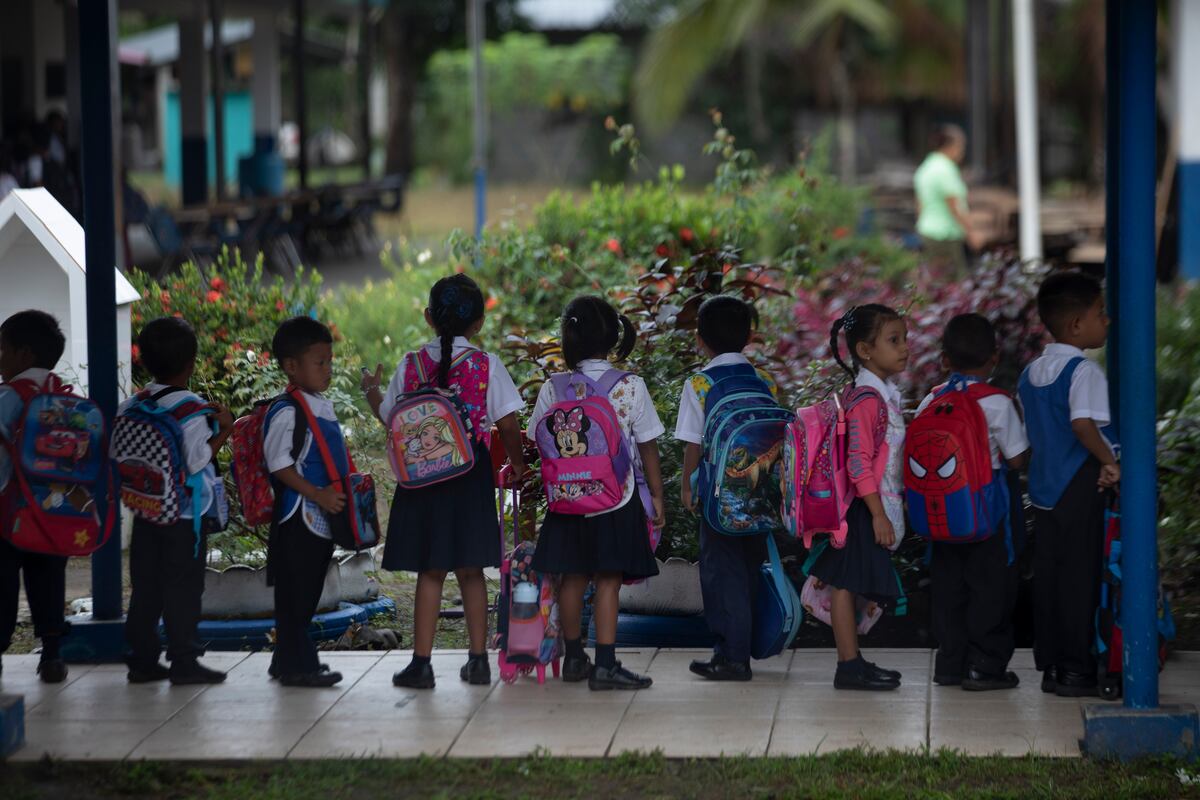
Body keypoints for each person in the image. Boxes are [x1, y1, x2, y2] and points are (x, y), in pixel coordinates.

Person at [362, 274, 527, 690]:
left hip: (422, 483)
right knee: (471, 572)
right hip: (469, 479)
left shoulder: (411, 363)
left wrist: (371, 393)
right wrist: (519, 464)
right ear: (479, 324)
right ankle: (477, 661)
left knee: (430, 573)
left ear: (428, 318)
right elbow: (508, 423)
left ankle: (421, 663)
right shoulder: (486, 365)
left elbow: (390, 416)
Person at [528, 296, 665, 691]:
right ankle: (605, 664)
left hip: (567, 499)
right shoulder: (630, 387)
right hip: (615, 497)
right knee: (607, 580)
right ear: (612, 337)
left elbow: (539, 438)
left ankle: (574, 659)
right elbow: (648, 445)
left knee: (572, 576)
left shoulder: (553, 389)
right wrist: (656, 495)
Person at [1017, 271, 1119, 698]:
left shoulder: (1031, 371)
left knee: (1050, 581)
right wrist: (1108, 460)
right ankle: (1078, 670)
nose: (1108, 321)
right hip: (1079, 489)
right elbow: (1082, 424)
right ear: (1077, 325)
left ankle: (1053, 665)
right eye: (1101, 313)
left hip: (1042, 491)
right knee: (1080, 580)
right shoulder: (1084, 371)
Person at [915, 313, 1030, 692]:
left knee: (949, 589)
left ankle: (949, 664)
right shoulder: (998, 402)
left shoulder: (932, 399)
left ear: (944, 359)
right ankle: (986, 666)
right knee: (992, 588)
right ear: (994, 357)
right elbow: (1016, 460)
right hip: (989, 513)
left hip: (941, 514)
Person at [118, 317, 233, 685]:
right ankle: (184, 660)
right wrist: (225, 431)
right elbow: (196, 461)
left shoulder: (132, 404)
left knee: (146, 588)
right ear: (191, 364)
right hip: (184, 517)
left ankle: (142, 659)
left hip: (146, 511)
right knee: (182, 589)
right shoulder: (191, 409)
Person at [810, 304, 908, 690]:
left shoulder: (870, 393)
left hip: (863, 505)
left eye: (904, 339)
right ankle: (848, 666)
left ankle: (853, 662)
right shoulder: (869, 399)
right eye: (893, 340)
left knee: (847, 581)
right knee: (845, 583)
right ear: (866, 351)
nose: (904, 348)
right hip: (863, 506)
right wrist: (878, 514)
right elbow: (857, 462)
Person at [678, 296, 775, 682]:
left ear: (700, 339)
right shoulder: (764, 381)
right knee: (750, 568)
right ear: (749, 336)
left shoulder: (700, 383)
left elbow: (693, 443)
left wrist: (688, 486)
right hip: (761, 493)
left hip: (719, 498)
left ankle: (732, 657)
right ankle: (744, 645)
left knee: (722, 572)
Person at [263, 316, 349, 687]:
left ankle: (284, 660)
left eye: (330, 361)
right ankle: (301, 666)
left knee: (307, 589)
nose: (328, 369)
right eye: (320, 362)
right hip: (298, 518)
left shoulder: (317, 404)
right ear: (291, 366)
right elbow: (278, 462)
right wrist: (316, 494)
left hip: (319, 517)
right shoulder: (287, 411)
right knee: (297, 595)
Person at [0, 311, 70, 683]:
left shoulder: (7, 397)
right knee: (48, 581)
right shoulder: (66, 396)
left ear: (23, 355)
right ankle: (53, 656)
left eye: (3, 350)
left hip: (7, 513)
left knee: (3, 584)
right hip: (55, 513)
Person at [913, 124, 981, 282]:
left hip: (927, 231)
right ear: (951, 146)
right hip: (944, 234)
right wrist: (972, 233)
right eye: (961, 145)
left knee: (936, 279)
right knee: (954, 282)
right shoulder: (945, 169)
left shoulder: (926, 166)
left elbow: (919, 202)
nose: (962, 150)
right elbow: (954, 206)